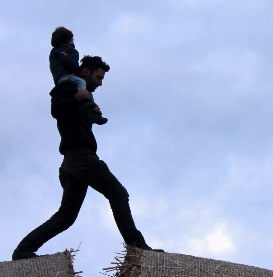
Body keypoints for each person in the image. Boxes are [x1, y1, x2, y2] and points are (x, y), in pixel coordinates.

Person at [12, 55, 162, 260]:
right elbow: (56, 109)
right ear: (85, 72)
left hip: (72, 162)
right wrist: (78, 98)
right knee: (118, 194)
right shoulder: (68, 87)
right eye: (99, 77)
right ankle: (137, 248)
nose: (100, 83)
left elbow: (72, 118)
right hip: (80, 156)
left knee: (66, 217)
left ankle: (24, 250)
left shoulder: (84, 95)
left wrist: (92, 115)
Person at [49, 26, 108, 125]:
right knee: (81, 82)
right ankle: (85, 102)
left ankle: (94, 112)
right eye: (98, 77)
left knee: (86, 91)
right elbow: (66, 61)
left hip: (68, 75)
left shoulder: (63, 50)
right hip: (64, 77)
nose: (100, 83)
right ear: (68, 39)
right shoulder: (62, 50)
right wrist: (77, 70)